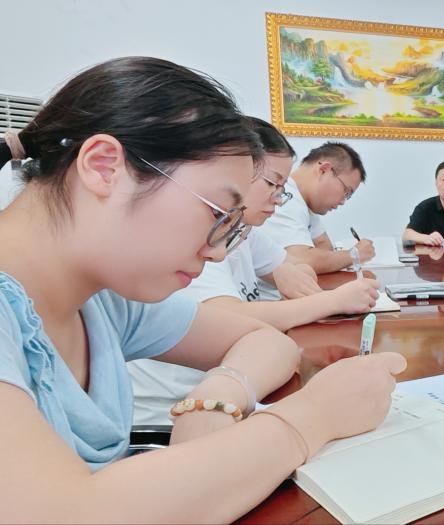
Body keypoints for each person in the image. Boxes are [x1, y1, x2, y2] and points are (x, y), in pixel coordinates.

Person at [0, 57, 405, 522]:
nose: (216, 251)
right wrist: (312, 418)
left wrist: (218, 394)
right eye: (217, 213)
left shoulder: (102, 301)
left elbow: (263, 340)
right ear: (104, 167)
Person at [128, 116, 381, 425]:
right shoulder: (192, 236)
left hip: (225, 393)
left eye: (281, 188)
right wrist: (332, 301)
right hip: (169, 415)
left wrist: (312, 293)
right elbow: (227, 317)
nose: (277, 200)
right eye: (271, 184)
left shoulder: (245, 230)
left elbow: (294, 269)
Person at [258, 141, 375, 275]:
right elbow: (301, 261)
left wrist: (323, 259)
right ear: (324, 170)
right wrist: (354, 255)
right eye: (346, 191)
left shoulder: (305, 201)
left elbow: (324, 246)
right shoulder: (285, 199)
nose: (343, 201)